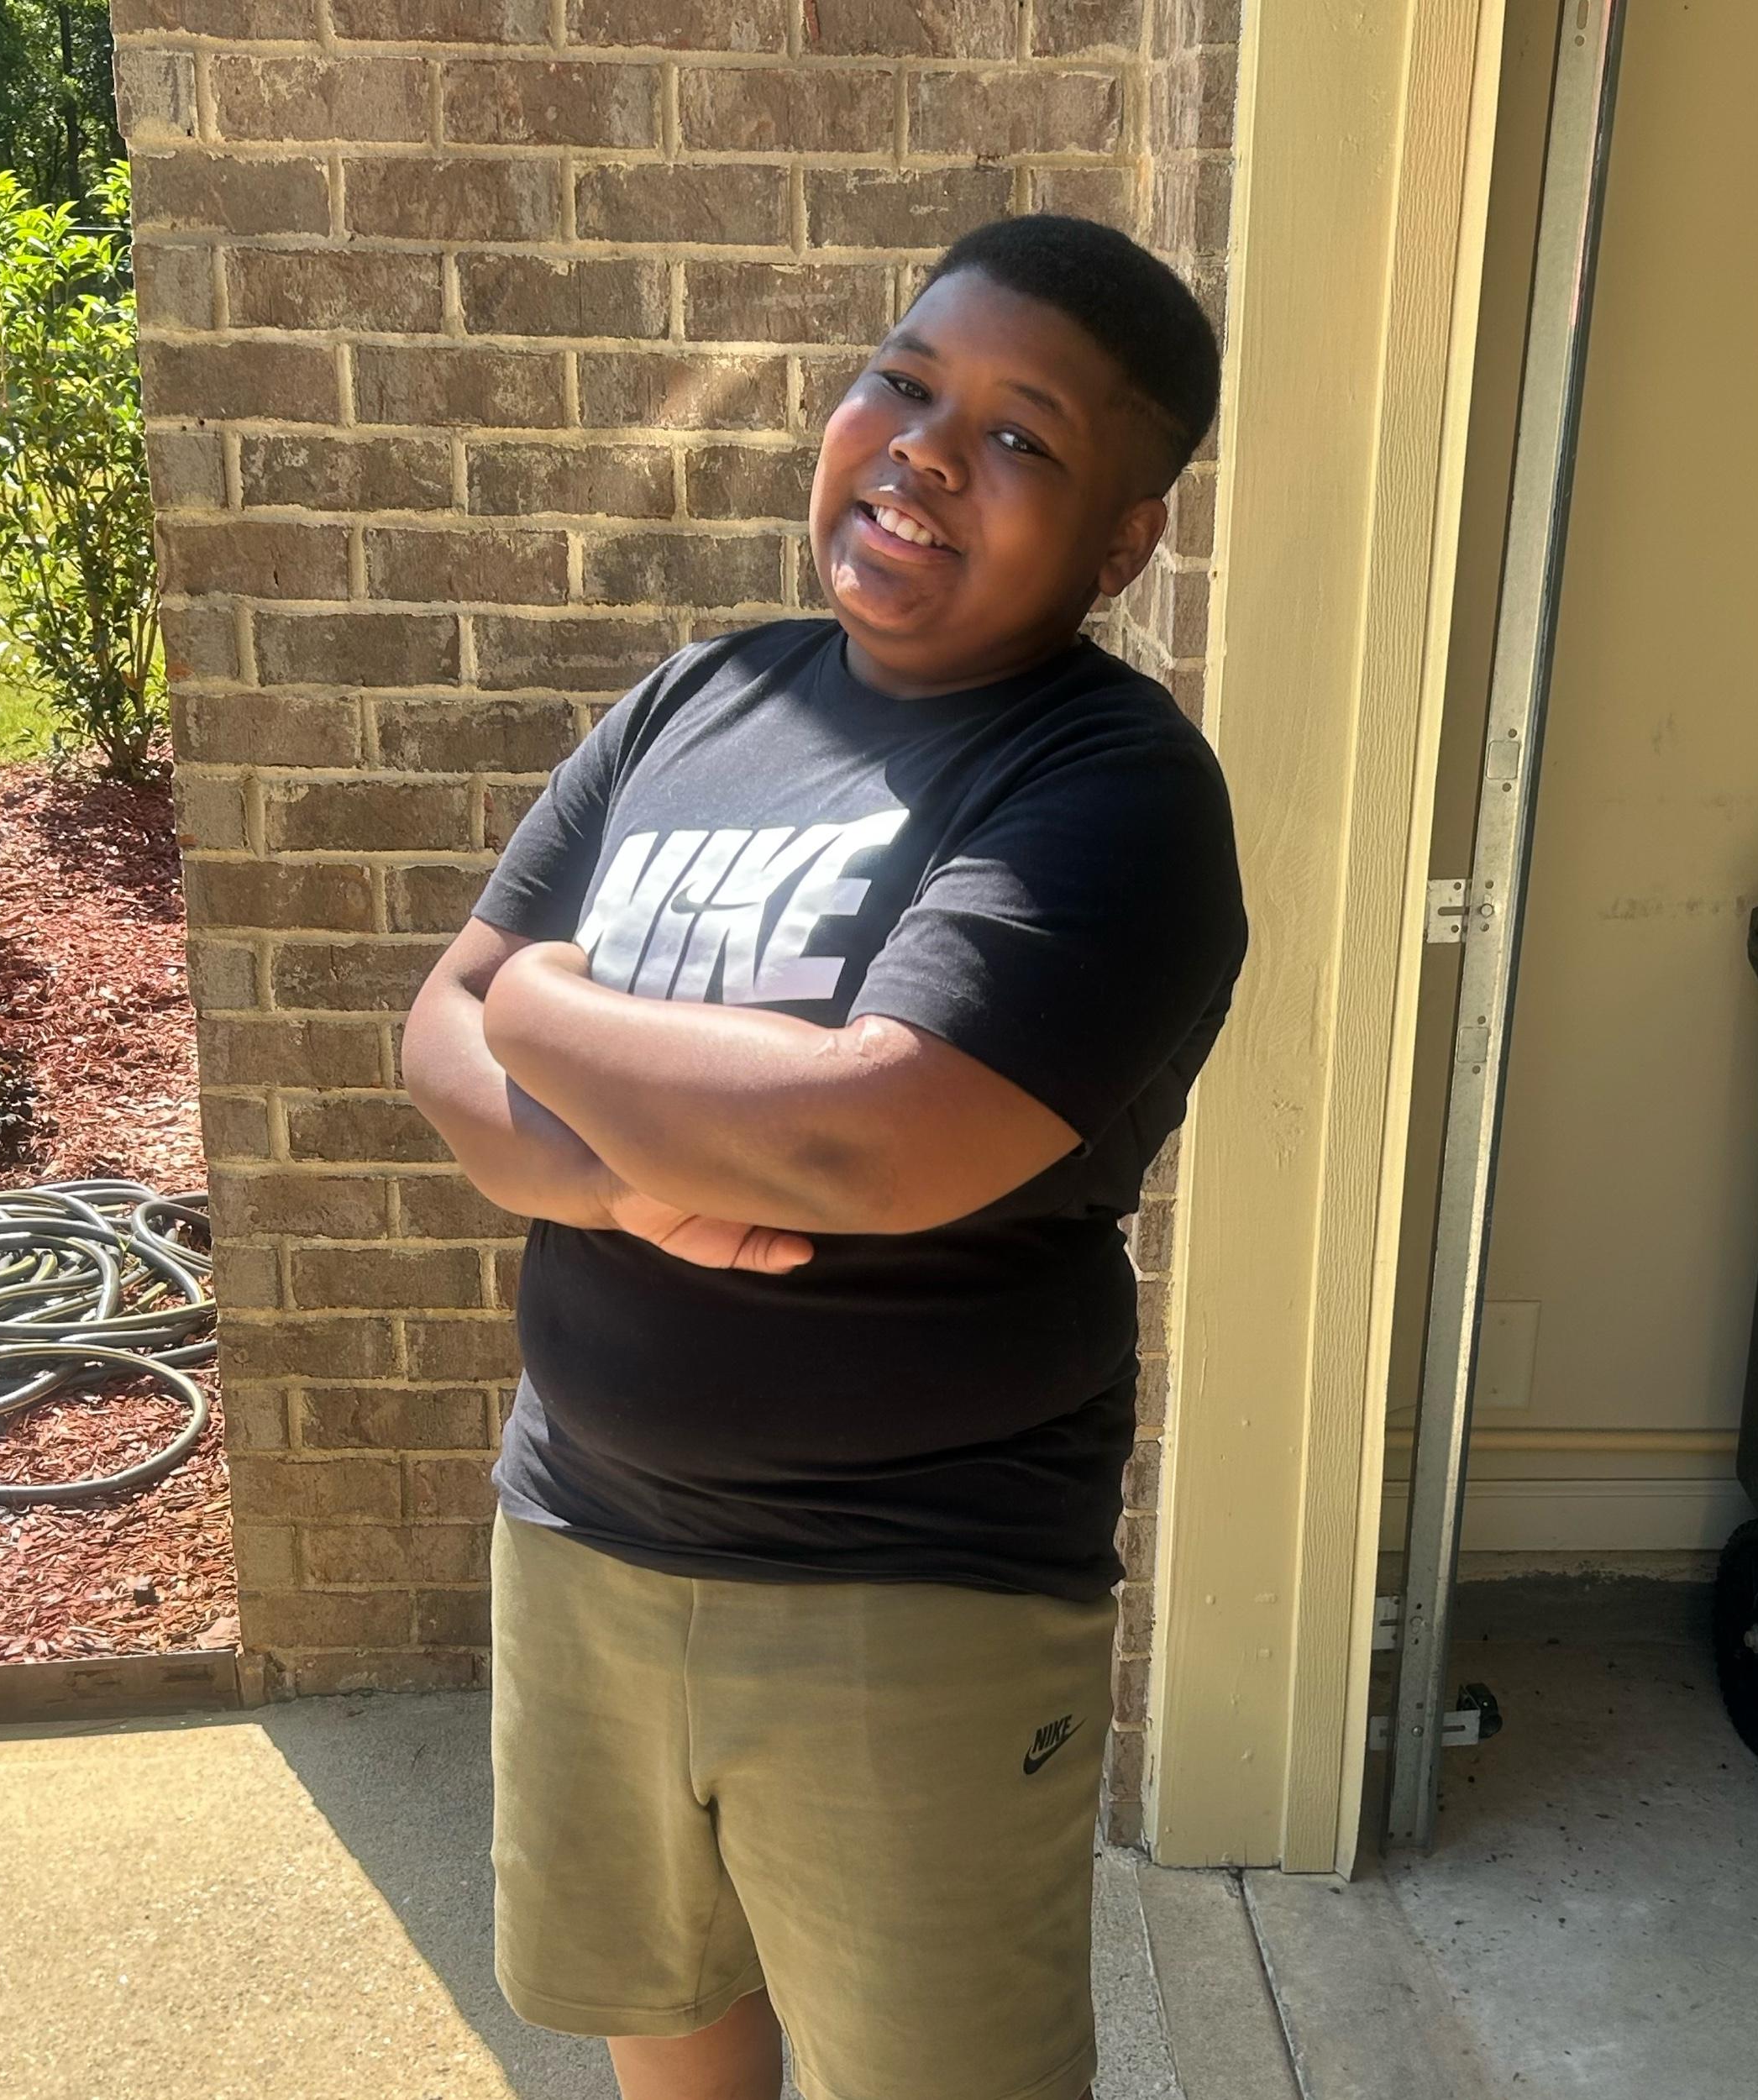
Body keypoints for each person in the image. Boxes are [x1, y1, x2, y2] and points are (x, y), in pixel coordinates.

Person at [401, 212, 1250, 2100]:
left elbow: (864, 1137)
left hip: (909, 1599)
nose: (925, 452)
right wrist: (613, 1181)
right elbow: (430, 1038)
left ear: (1122, 543)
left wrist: (542, 1003)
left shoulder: (1110, 791)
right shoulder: (698, 701)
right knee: (659, 2006)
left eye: (1019, 436)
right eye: (904, 381)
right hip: (582, 1530)